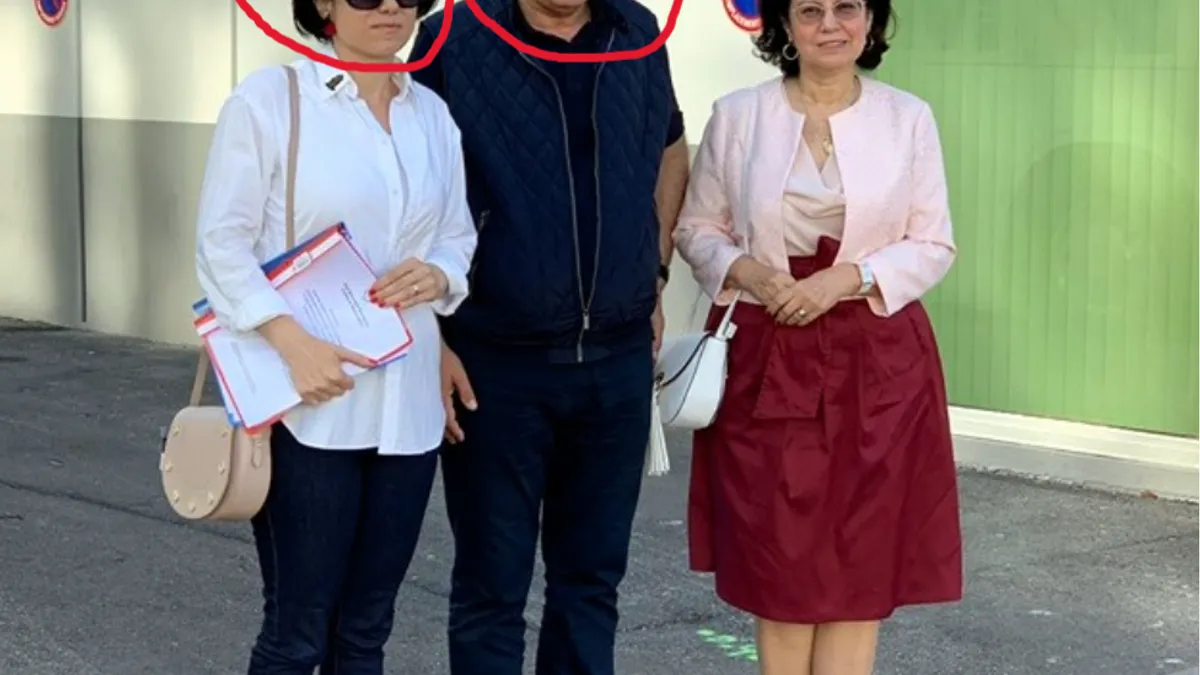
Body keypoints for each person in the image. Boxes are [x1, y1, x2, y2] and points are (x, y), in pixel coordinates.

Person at [672, 0, 964, 673]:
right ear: (783, 26)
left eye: (846, 8)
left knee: (861, 557)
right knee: (778, 558)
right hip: (767, 351)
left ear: (871, 22)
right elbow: (697, 228)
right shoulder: (739, 115)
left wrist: (847, 278)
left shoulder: (908, 117)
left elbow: (933, 242)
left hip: (878, 359)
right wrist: (750, 272)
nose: (830, 24)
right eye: (810, 10)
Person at [405, 0, 690, 672]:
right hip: (494, 361)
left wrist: (652, 270)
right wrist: (433, 336)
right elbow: (410, 186)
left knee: (591, 583)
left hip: (616, 361)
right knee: (491, 586)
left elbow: (671, 148)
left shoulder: (637, 30)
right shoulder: (450, 37)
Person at [194, 0, 477, 672]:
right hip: (306, 405)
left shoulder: (431, 115)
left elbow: (457, 233)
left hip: (406, 406)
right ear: (323, 4)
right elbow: (220, 243)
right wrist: (292, 342)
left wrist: (440, 273)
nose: (390, 8)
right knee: (297, 633)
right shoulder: (271, 100)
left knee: (365, 630)